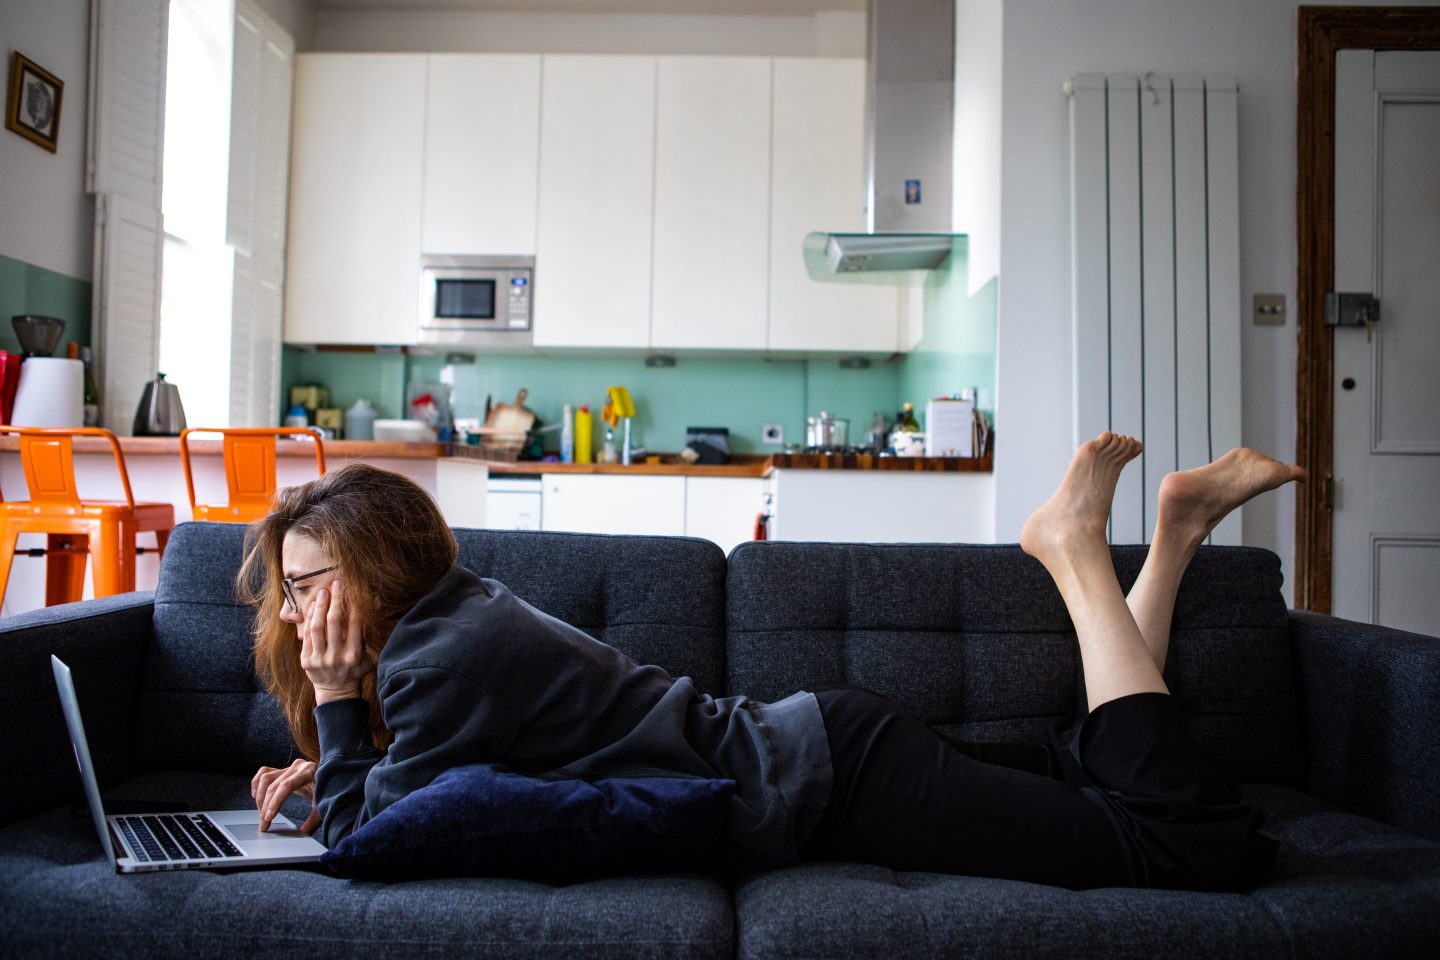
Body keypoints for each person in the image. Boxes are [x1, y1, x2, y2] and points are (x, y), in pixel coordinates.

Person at [245, 433, 1303, 890]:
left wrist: (337, 709)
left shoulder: (440, 660)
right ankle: (1176, 536)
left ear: (376, 569)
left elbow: (371, 844)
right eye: (289, 592)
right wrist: (349, 765)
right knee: (1106, 778)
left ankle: (1075, 551)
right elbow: (429, 791)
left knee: (1186, 849)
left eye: (307, 584)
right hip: (825, 753)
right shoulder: (453, 615)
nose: (294, 616)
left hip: (833, 781)